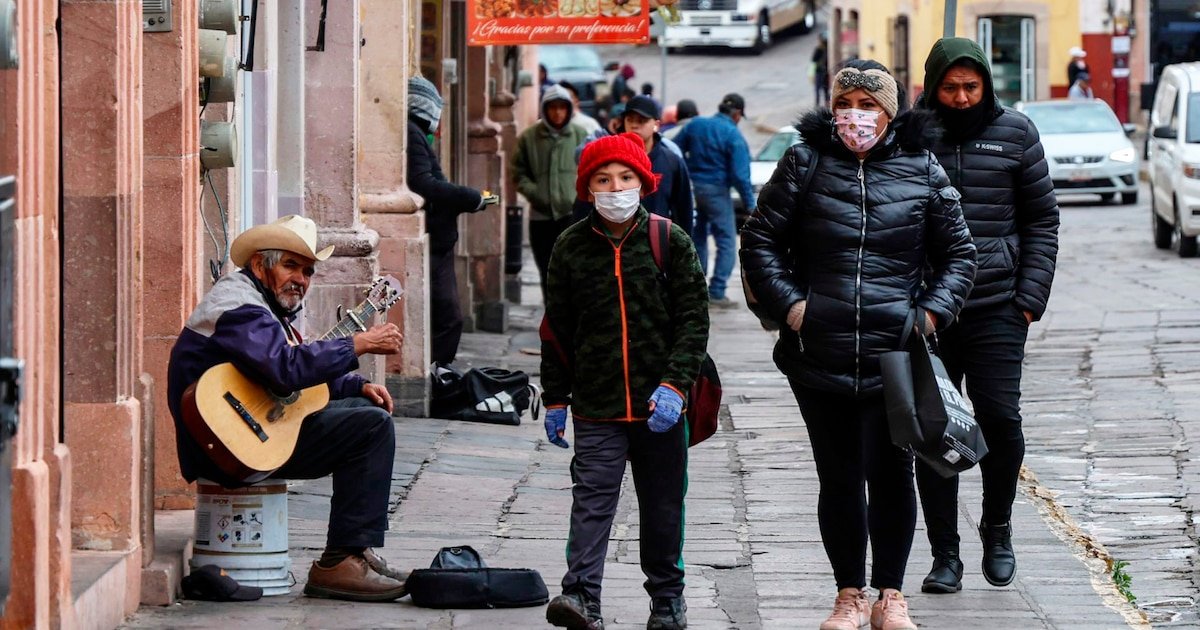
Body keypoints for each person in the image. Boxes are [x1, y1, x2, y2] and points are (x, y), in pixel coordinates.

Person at [740, 60, 977, 630]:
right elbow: (760, 240)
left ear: (890, 113)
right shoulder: (804, 161)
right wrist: (795, 308)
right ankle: (848, 594)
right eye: (846, 102)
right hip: (817, 352)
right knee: (839, 476)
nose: (856, 115)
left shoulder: (922, 169)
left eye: (869, 106)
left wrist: (926, 317)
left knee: (892, 475)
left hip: (893, 356)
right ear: (832, 107)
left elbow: (960, 255)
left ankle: (890, 596)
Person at [167, 215, 409, 602]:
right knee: (371, 428)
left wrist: (357, 383)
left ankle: (355, 550)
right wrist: (356, 345)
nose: (301, 279)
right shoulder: (239, 307)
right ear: (261, 265)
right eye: (290, 266)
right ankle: (340, 561)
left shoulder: (263, 308)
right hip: (228, 444)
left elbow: (283, 372)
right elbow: (284, 370)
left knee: (362, 405)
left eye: (308, 271)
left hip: (247, 432)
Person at [540, 132, 710, 630]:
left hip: (662, 405)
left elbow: (694, 320)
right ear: (587, 188)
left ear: (643, 182)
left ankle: (667, 599)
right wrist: (554, 397)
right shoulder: (570, 247)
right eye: (603, 179)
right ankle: (580, 596)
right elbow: (556, 329)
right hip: (597, 403)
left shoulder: (668, 240)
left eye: (625, 178)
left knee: (662, 505)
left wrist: (676, 385)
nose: (615, 188)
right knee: (591, 498)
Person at [914, 37, 1059, 595]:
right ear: (932, 85)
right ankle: (944, 553)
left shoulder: (1016, 133)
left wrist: (1029, 298)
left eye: (970, 87)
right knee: (934, 431)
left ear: (987, 86)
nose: (960, 97)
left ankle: (997, 529)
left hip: (999, 305)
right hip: (929, 312)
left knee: (1000, 419)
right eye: (949, 87)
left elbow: (1042, 221)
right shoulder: (910, 136)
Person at [407, 76, 490, 365]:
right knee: (448, 317)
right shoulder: (411, 132)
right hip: (433, 239)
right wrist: (470, 197)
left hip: (438, 238)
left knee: (445, 316)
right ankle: (437, 374)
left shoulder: (414, 133)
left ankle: (438, 371)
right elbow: (424, 183)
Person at [673, 93, 755, 308]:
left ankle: (696, 289)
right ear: (737, 114)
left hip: (692, 189)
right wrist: (750, 204)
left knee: (697, 237)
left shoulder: (696, 124)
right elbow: (740, 175)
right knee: (726, 241)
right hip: (717, 191)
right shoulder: (733, 135)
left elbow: (674, 150)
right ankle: (717, 291)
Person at [512, 84, 590, 294]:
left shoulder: (580, 135)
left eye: (562, 107)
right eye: (552, 107)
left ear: (569, 109)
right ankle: (552, 322)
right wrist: (535, 193)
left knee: (572, 273)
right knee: (547, 274)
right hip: (541, 218)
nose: (557, 112)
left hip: (572, 217)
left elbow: (590, 171)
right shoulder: (529, 137)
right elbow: (518, 172)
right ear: (545, 109)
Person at [812, 34, 830, 106]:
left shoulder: (819, 49)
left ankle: (817, 103)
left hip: (819, 71)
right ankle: (826, 102)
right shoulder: (828, 49)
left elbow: (813, 59)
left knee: (817, 88)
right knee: (825, 88)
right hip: (826, 71)